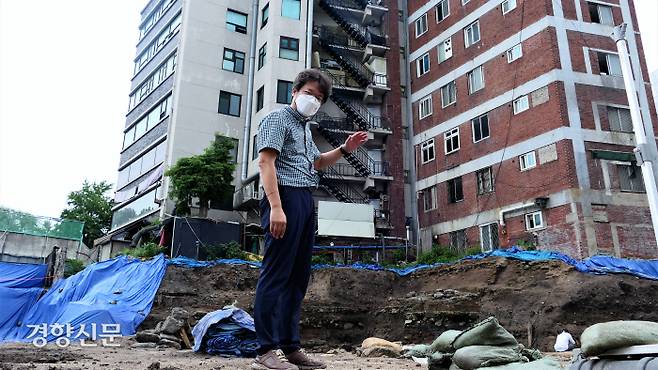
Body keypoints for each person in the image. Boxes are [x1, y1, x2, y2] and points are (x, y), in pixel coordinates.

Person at [251, 69, 368, 370]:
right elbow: (266, 162)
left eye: (319, 97)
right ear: (295, 91)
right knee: (276, 273)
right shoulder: (277, 120)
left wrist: (344, 149)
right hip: (284, 196)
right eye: (309, 93)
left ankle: (290, 347)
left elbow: (317, 162)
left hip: (304, 197)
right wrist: (276, 207)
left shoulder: (304, 129)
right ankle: (265, 350)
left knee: (297, 277)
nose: (313, 100)